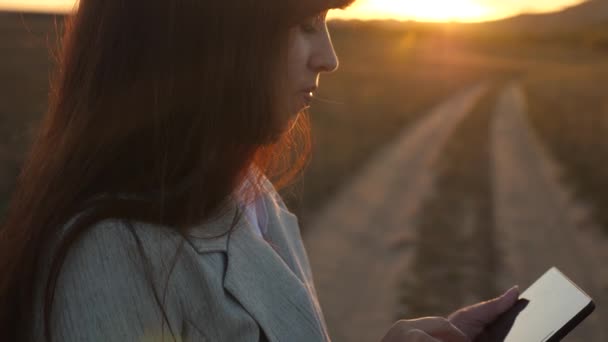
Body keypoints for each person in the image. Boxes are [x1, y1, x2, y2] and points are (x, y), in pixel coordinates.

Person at [0, 0, 519, 341]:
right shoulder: (110, 260)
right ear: (209, 33)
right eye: (306, 24)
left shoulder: (251, 195)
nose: (330, 58)